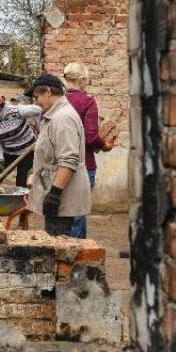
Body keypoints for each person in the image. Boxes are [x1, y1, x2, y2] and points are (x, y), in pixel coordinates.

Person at [26, 74, 91, 237]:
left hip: (63, 197)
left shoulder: (62, 118)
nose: (35, 102)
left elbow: (69, 160)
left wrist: (54, 194)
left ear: (48, 92)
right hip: (57, 193)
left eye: (36, 97)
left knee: (60, 246)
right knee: (57, 243)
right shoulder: (53, 116)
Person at [63, 62, 114, 238]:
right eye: (87, 80)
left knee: (65, 213)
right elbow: (90, 136)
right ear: (82, 79)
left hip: (60, 163)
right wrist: (105, 145)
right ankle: (75, 250)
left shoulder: (58, 101)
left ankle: (74, 248)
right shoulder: (87, 101)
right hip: (83, 163)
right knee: (78, 213)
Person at [0, 93, 42, 188]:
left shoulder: (16, 110)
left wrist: (42, 126)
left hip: (28, 151)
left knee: (22, 182)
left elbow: (41, 109)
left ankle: (23, 197)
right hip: (7, 151)